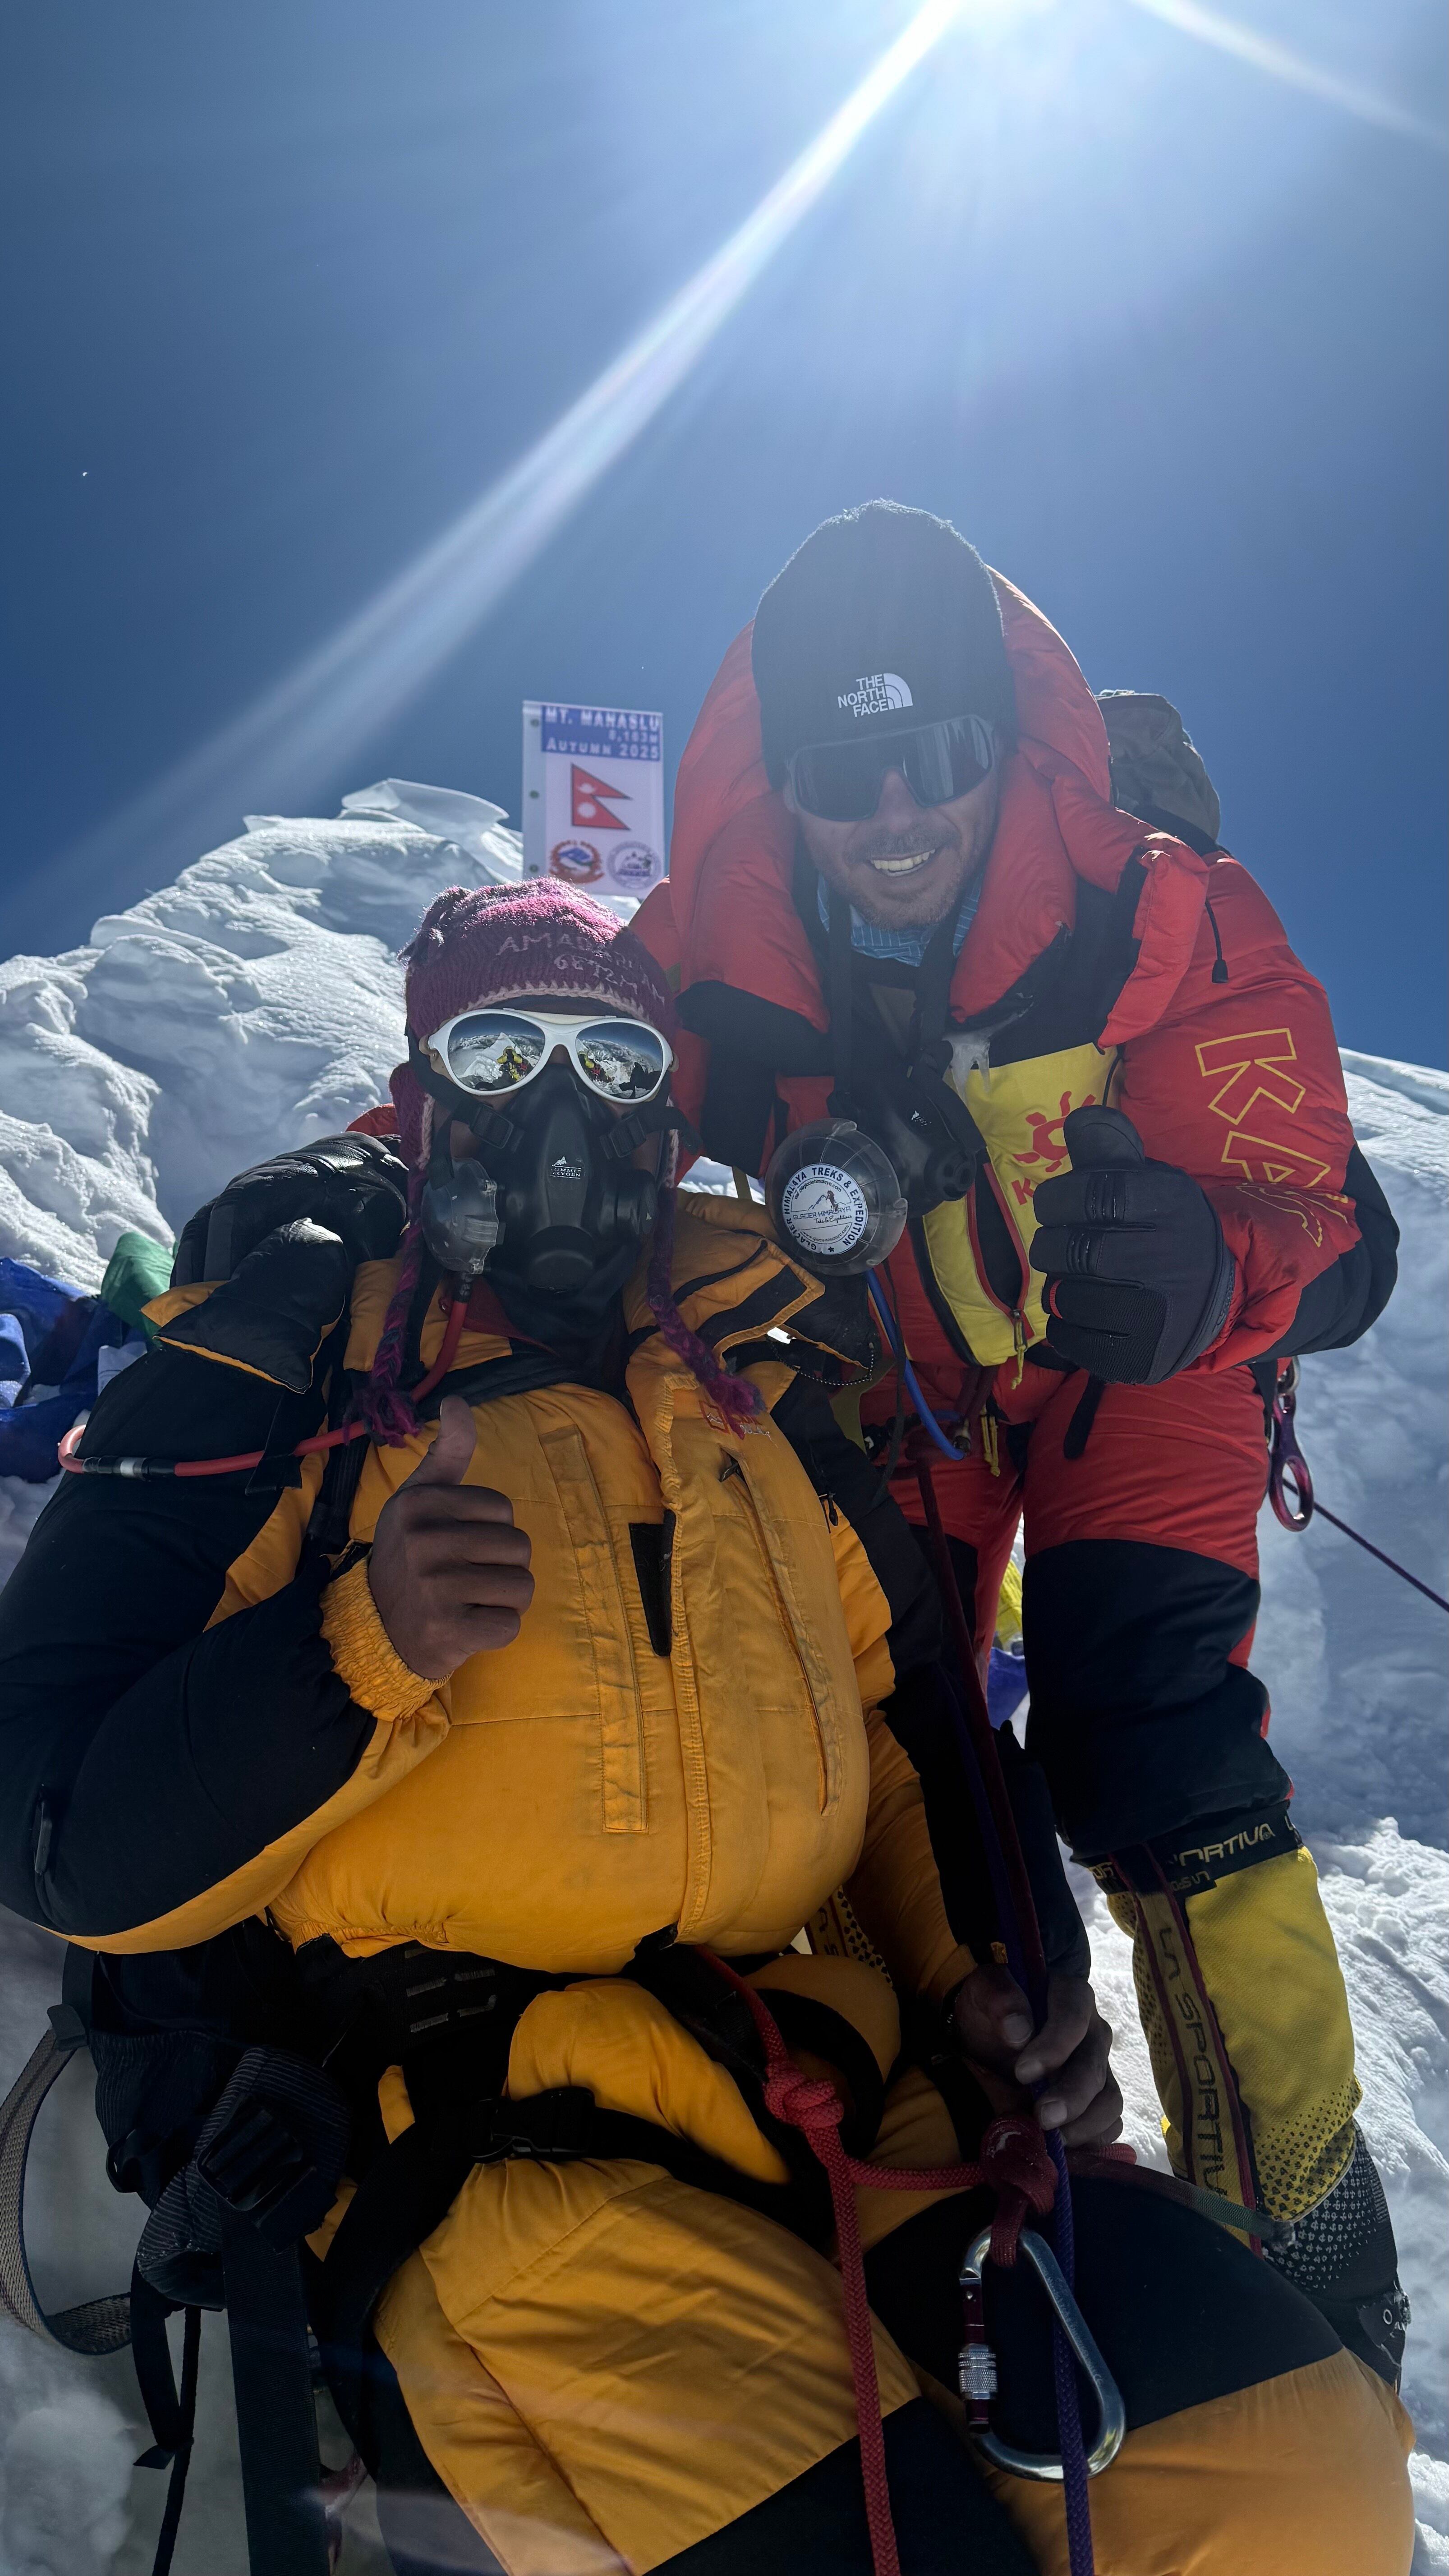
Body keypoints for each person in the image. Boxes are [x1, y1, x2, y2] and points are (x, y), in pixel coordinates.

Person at [0, 881, 1412, 2576]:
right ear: (425, 1094)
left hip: (834, 2090)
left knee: (1298, 2476)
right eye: (502, 1052)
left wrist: (988, 1982)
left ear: (670, 1105)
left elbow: (910, 1730)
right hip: (489, 2148)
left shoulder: (763, 1377)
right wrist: (358, 1647)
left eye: (613, 1061)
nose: (563, 1113)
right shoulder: (287, 1368)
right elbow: (55, 1818)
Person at [633, 500, 1408, 2383]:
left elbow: (1331, 1215)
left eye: (942, 758)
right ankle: (1032, 2182)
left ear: (1009, 743)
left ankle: (1301, 2245)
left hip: (1141, 1359)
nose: (896, 815)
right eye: (843, 768)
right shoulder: (723, 945)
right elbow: (554, 1049)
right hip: (909, 1380)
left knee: (1143, 1721)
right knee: (909, 1747)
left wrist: (1226, 1256)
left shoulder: (1160, 908)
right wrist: (370, 1178)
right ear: (787, 775)